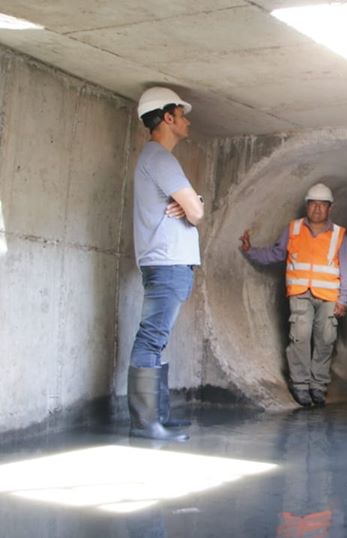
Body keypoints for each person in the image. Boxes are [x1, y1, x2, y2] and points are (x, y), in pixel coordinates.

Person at [128, 87, 204, 442]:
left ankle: (157, 416)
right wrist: (191, 205)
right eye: (182, 114)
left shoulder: (156, 159)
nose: (187, 120)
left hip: (167, 264)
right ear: (168, 117)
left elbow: (192, 205)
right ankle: (146, 424)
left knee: (156, 339)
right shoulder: (161, 158)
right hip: (167, 264)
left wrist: (189, 203)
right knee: (151, 337)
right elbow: (198, 212)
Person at [240, 183, 347, 408]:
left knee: (325, 340)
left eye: (323, 205)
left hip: (329, 297)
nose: (318, 209)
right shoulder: (293, 229)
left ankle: (318, 387)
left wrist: (344, 299)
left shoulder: (339, 235)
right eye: (314, 204)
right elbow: (276, 253)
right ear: (307, 206)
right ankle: (301, 385)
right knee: (299, 338)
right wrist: (250, 251)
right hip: (300, 294)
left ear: (330, 208)